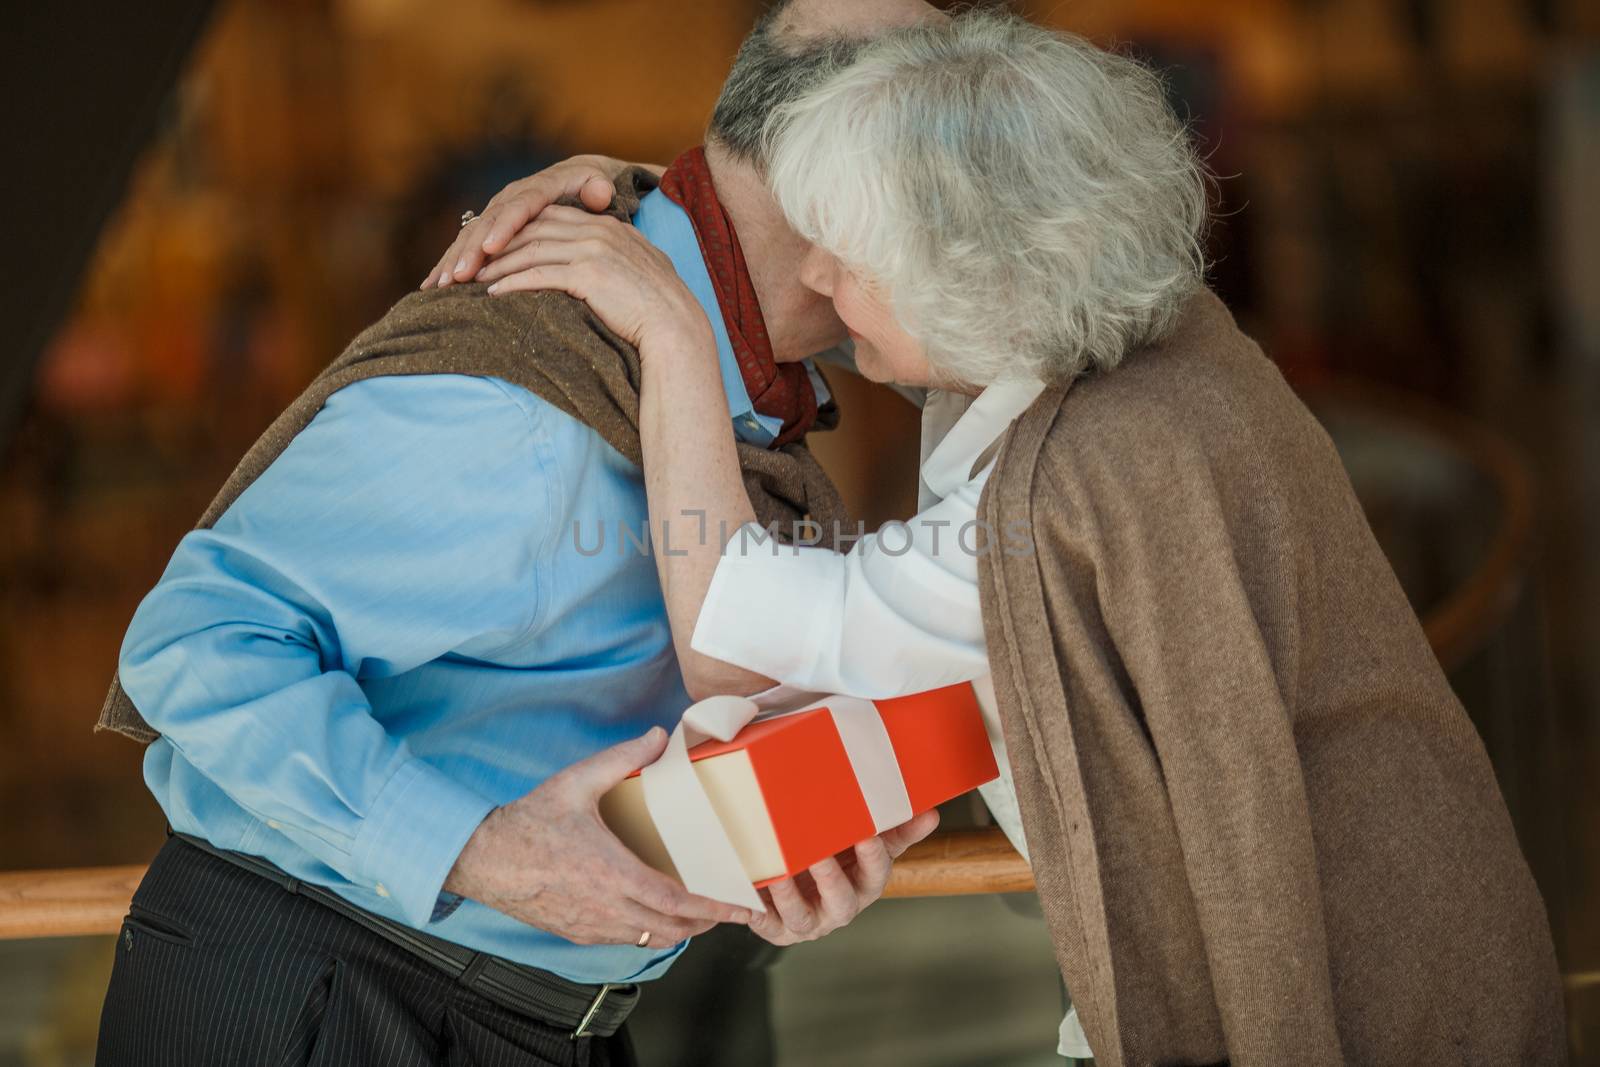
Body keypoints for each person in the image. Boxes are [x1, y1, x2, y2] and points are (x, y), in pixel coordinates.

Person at [449, 10, 1569, 1065]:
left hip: (1371, 993)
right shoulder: (1155, 337)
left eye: (846, 252)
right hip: (1433, 912)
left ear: (967, 281)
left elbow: (730, 625)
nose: (819, 280)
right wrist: (644, 201)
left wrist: (670, 324)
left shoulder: (1048, 508)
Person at [93, 2, 947, 1064]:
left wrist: (777, 851)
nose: (978, 231)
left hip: (541, 1017)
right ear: (844, 199)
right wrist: (483, 852)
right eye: (960, 185)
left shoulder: (740, 407)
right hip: (324, 997)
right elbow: (195, 643)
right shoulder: (527, 400)